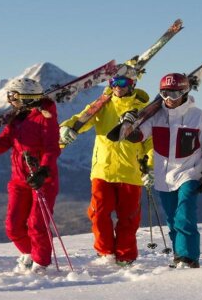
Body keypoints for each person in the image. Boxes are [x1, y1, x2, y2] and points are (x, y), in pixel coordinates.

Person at [119, 73, 202, 268]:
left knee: (184, 214)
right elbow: (137, 136)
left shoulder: (199, 117)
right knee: (172, 218)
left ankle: (188, 258)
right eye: (165, 93)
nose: (169, 99)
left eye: (174, 94)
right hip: (163, 176)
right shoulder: (156, 117)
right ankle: (179, 255)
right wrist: (128, 122)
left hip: (190, 172)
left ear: (184, 93)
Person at [59, 75, 153, 267]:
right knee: (99, 213)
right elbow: (82, 119)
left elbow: (150, 141)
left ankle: (125, 257)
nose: (117, 87)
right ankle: (105, 253)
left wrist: (150, 166)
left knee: (129, 217)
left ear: (132, 85)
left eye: (122, 83)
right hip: (103, 170)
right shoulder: (102, 104)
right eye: (113, 83)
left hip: (131, 172)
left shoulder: (143, 110)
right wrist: (66, 128)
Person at [0, 78, 60, 273]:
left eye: (13, 96)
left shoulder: (46, 117)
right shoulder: (17, 120)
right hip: (19, 181)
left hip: (42, 180)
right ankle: (30, 254)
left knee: (37, 224)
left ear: (26, 97)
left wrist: (43, 171)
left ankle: (41, 264)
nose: (10, 100)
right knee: (13, 226)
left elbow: (52, 149)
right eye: (9, 96)